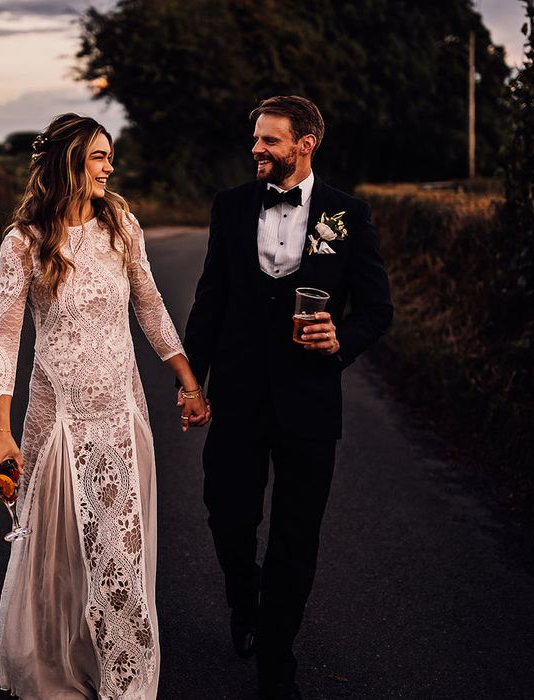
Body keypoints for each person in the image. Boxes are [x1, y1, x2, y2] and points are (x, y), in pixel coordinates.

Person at [0, 113, 209, 700]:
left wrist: (187, 381)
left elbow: (151, 306)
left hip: (122, 412)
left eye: (110, 156)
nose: (111, 167)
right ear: (68, 163)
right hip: (56, 417)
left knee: (120, 551)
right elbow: (5, 337)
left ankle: (124, 678)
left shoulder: (121, 226)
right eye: (100, 157)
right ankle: (57, 664)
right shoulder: (24, 242)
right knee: (59, 552)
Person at [182, 96, 393, 700]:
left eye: (270, 141)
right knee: (227, 516)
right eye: (256, 140)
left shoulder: (347, 215)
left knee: (297, 537)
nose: (257, 149)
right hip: (238, 396)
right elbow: (209, 300)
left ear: (306, 144)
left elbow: (378, 310)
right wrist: (192, 383)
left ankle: (277, 659)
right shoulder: (229, 207)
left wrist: (339, 339)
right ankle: (242, 596)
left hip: (308, 404)